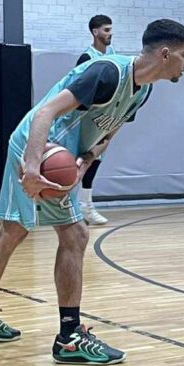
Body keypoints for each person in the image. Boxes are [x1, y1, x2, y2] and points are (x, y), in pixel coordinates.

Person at [0, 19, 184, 364]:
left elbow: (109, 133)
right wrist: (33, 168)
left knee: (13, 232)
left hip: (60, 155)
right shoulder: (106, 73)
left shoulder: (143, 90)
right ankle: (69, 337)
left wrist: (86, 160)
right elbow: (45, 112)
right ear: (166, 53)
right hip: (38, 147)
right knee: (75, 234)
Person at [76, 14, 115, 226]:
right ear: (95, 32)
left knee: (95, 160)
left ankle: (86, 205)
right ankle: (78, 206)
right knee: (82, 160)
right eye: (106, 30)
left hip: (105, 118)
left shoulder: (114, 57)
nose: (110, 33)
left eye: (111, 29)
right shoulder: (86, 58)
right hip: (87, 119)